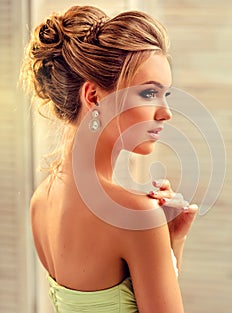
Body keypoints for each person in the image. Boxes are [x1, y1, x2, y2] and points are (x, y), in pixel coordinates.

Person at [21, 5, 198, 313]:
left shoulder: (41, 200)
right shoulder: (135, 215)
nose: (166, 113)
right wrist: (155, 235)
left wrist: (171, 241)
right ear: (94, 97)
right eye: (147, 94)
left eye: (164, 95)